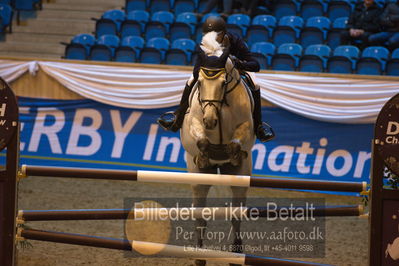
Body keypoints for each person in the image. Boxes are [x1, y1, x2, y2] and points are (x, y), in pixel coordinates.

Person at [157, 16, 274, 143]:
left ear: (223, 33)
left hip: (236, 72)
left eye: (214, 35)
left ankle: (258, 125)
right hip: (211, 75)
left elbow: (255, 65)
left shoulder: (235, 41)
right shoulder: (205, 44)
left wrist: (239, 64)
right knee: (190, 80)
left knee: (255, 84)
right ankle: (177, 117)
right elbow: (196, 71)